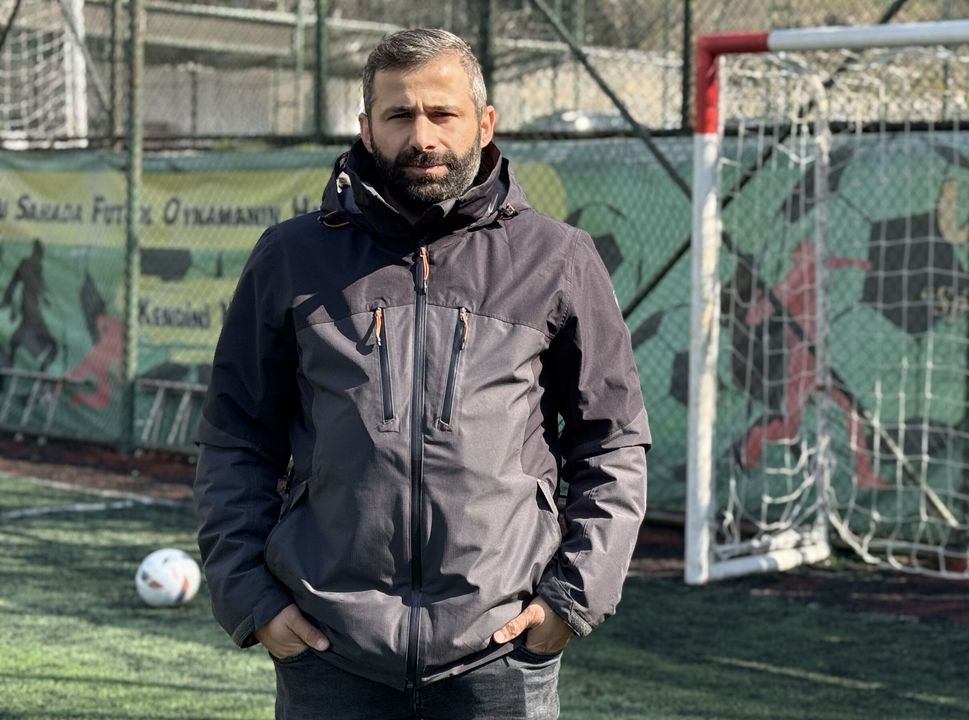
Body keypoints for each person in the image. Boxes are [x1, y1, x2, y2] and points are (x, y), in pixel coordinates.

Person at [193, 28, 649, 720]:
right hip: (328, 653)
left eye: (442, 114)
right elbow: (234, 440)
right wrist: (253, 599)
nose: (422, 137)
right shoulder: (290, 256)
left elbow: (612, 442)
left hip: (500, 656)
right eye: (399, 115)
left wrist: (570, 598)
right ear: (366, 128)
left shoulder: (558, 258)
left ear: (484, 123)